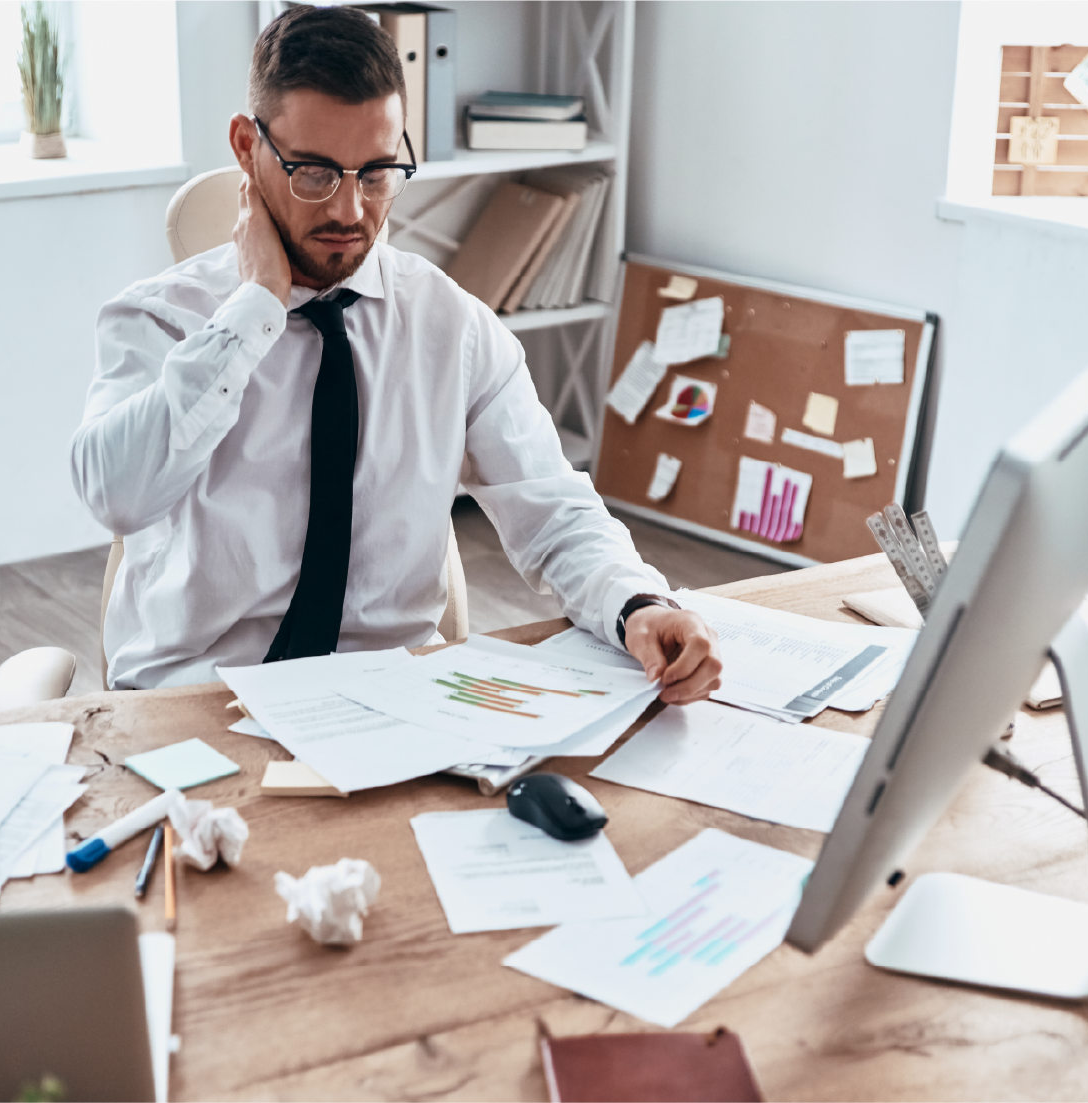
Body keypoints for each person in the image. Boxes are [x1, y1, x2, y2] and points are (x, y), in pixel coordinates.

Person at [71, 5, 721, 702]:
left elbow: (552, 510)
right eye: (314, 173)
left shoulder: (452, 327)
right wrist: (257, 305)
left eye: (377, 172)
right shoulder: (158, 317)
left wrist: (637, 604)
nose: (349, 211)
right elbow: (117, 494)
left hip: (393, 700)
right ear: (245, 146)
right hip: (200, 699)